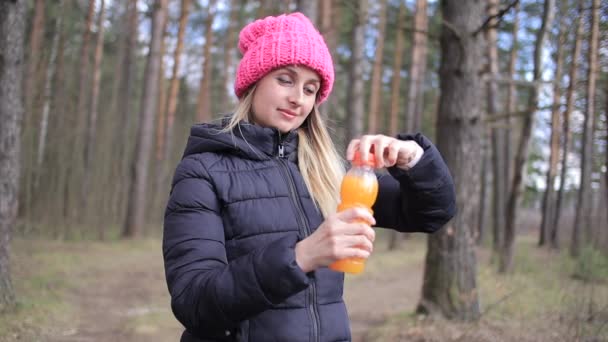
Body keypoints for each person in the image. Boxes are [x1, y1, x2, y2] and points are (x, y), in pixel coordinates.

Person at [163, 12, 456, 342]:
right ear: (253, 81)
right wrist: (300, 257)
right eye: (285, 80)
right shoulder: (203, 171)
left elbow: (431, 213)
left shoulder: (328, 172)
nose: (297, 98)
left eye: (310, 88)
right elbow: (194, 302)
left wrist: (413, 159)